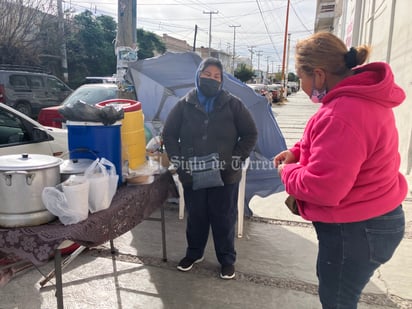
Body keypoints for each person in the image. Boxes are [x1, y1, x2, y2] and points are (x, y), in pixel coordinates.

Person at [274, 32, 407, 308]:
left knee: (337, 301)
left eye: (301, 77)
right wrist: (298, 151)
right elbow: (331, 144)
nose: (302, 85)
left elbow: (324, 188)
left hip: (357, 230)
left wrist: (287, 172)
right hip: (372, 221)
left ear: (319, 75)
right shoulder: (358, 98)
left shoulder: (343, 113)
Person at [163, 57, 257, 279]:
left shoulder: (233, 104)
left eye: (217, 76)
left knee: (223, 218)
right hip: (192, 173)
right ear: (198, 76)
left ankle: (226, 259)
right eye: (207, 74)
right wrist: (179, 161)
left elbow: (251, 134)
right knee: (196, 216)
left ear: (222, 81)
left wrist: (235, 158)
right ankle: (194, 253)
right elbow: (169, 133)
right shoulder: (184, 104)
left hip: (225, 175)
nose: (211, 79)